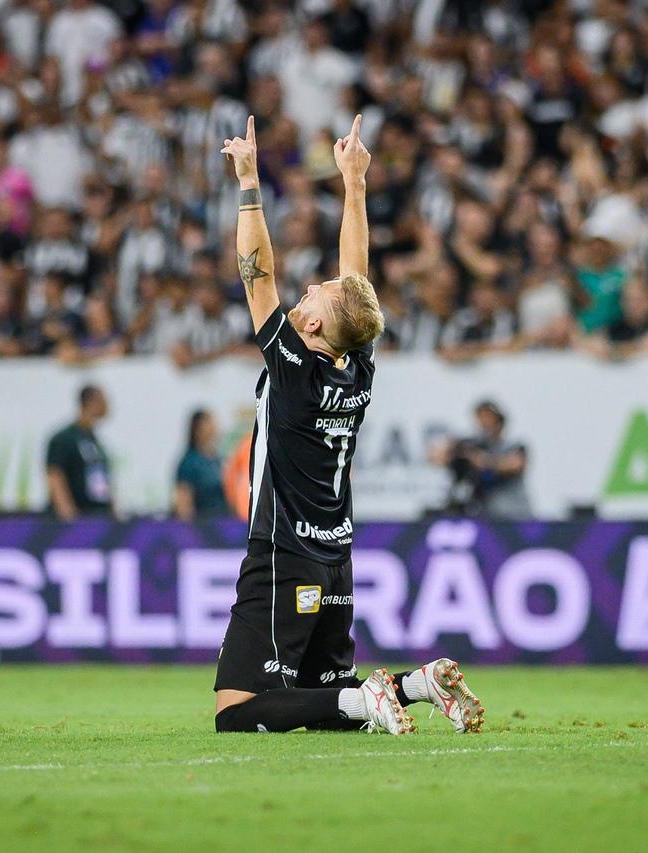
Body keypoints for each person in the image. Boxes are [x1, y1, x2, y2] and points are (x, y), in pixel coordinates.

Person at [212, 115, 484, 736]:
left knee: (238, 711)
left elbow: (256, 275)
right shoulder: (356, 366)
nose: (308, 288)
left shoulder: (295, 372)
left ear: (309, 330)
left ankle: (369, 701)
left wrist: (249, 182)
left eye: (317, 296)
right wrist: (354, 184)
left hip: (284, 554)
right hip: (335, 554)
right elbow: (355, 280)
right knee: (319, 692)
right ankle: (414, 687)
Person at [433, 401, 531, 518]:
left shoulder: (513, 445)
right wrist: (455, 450)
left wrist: (484, 462)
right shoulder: (474, 444)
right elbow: (437, 456)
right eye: (481, 419)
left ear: (499, 421)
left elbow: (516, 464)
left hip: (514, 515)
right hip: (486, 516)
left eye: (489, 418)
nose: (485, 423)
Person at [45, 385, 113, 520]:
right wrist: (67, 512)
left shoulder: (94, 440)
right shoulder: (65, 438)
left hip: (98, 515)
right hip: (78, 517)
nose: (108, 406)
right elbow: (55, 474)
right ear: (91, 402)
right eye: (104, 400)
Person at [173, 409, 227, 520]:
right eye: (210, 423)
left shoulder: (218, 460)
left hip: (223, 525)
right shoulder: (189, 463)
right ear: (198, 428)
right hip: (202, 527)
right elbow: (183, 506)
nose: (215, 427)